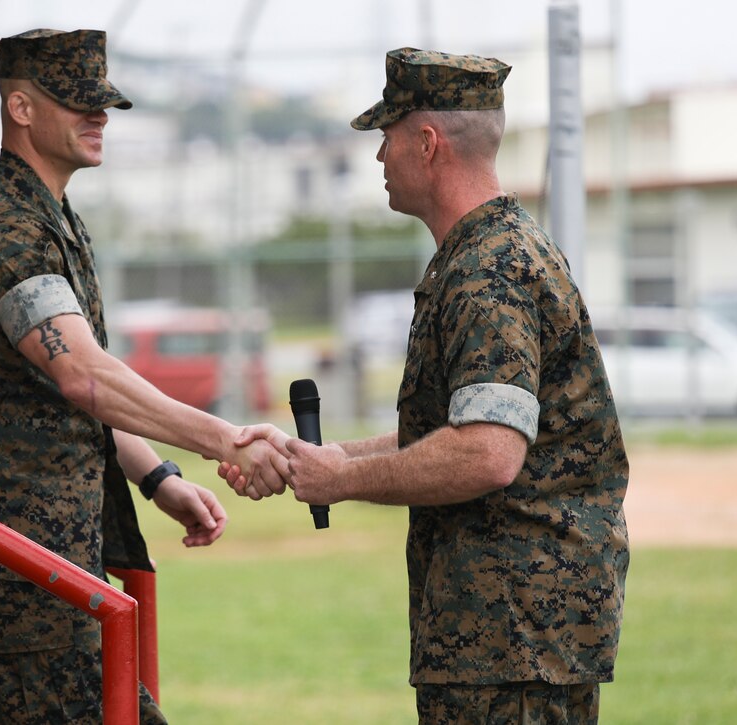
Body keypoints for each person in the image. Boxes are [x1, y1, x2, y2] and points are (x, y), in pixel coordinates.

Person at [0, 29, 288, 724]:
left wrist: (159, 477)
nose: (100, 116)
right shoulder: (6, 231)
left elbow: (74, 393)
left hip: (46, 555)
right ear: (20, 107)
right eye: (78, 102)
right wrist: (226, 439)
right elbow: (83, 375)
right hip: (14, 564)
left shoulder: (48, 218)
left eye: (102, 103)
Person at [227, 49, 629, 723]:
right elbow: (455, 433)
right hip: (506, 635)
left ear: (427, 142)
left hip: (512, 640)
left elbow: (488, 452)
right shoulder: (487, 254)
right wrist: (324, 461)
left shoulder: (490, 268)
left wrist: (343, 482)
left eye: (386, 136)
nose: (380, 155)